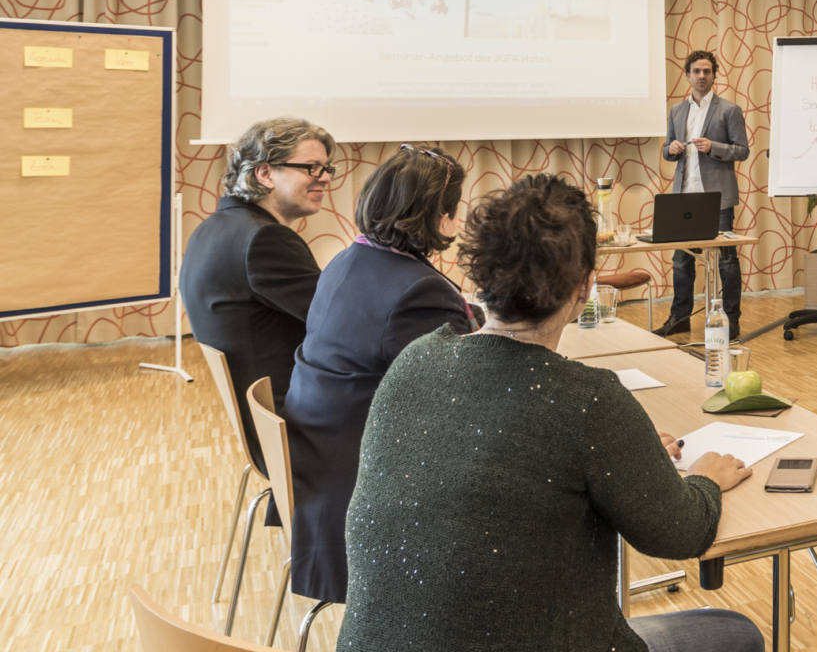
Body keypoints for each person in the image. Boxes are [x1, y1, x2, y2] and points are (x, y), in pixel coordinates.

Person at [336, 173, 764, 652]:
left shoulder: (414, 360)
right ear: (585, 288)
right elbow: (681, 534)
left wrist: (631, 460)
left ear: (476, 275)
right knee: (735, 633)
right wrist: (705, 477)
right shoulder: (588, 400)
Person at [283, 145, 478, 606]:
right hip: (367, 495)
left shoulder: (347, 261)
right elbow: (466, 393)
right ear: (440, 215)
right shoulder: (417, 291)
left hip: (322, 466)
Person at [180, 116, 334, 474]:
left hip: (265, 429)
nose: (325, 178)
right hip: (296, 435)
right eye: (311, 167)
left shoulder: (213, 227)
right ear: (264, 174)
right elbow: (340, 323)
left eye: (326, 168)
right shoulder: (265, 240)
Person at [656, 49, 750, 339]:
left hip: (717, 198)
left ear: (714, 75)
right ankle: (680, 318)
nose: (701, 76)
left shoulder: (728, 109)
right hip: (684, 196)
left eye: (707, 71)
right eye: (696, 71)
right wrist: (669, 150)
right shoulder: (677, 111)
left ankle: (731, 320)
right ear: (687, 75)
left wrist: (714, 147)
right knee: (682, 261)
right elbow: (667, 149)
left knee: (726, 260)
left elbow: (742, 150)